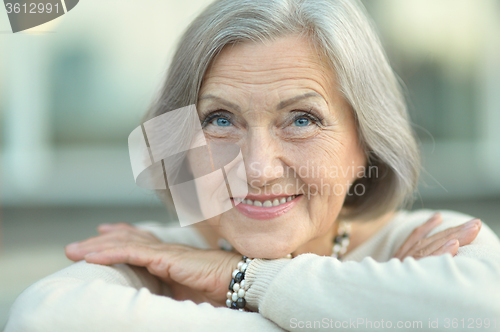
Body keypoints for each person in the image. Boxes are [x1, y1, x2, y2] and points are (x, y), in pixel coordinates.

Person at [5, 0, 500, 331]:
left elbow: (487, 309)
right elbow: (41, 318)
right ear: (181, 145)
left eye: (302, 119)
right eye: (220, 120)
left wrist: (238, 279)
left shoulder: (431, 239)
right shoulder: (153, 258)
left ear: (365, 145)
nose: (258, 168)